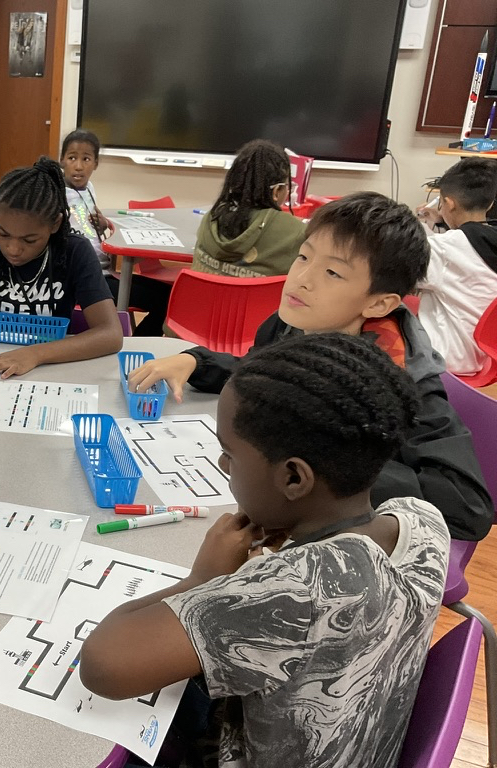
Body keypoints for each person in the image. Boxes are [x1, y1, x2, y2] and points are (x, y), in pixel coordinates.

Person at [80, 332, 450, 768]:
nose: (223, 465)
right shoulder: (423, 519)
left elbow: (103, 666)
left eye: (229, 455)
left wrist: (203, 580)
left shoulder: (293, 593)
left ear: (293, 478)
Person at [128, 192, 492, 542]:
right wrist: (197, 361)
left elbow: (467, 505)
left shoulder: (402, 378)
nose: (301, 278)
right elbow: (266, 377)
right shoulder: (289, 326)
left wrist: (329, 460)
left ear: (379, 304)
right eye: (303, 257)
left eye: (332, 272)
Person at [0, 157, 123, 381]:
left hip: (48, 370)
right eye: (3, 234)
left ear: (55, 224)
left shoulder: (74, 251)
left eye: (29, 240)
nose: (13, 249)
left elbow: (111, 334)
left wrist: (33, 355)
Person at [60, 129, 171, 336]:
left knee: (170, 297)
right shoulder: (58, 193)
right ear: (62, 160)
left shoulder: (88, 188)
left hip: (104, 271)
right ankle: (134, 343)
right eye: (72, 158)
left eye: (86, 159)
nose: (78, 166)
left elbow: (86, 227)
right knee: (166, 299)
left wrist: (102, 225)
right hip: (85, 279)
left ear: (95, 164)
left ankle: (138, 340)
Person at [415, 157, 497, 376]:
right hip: (485, 357)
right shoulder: (488, 239)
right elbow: (467, 248)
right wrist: (440, 223)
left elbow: (400, 273)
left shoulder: (443, 249)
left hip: (446, 359)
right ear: (489, 204)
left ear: (449, 204)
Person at [193, 139, 307, 278]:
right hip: (261, 294)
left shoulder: (211, 217)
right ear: (276, 191)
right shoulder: (296, 233)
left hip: (199, 293)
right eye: (287, 186)